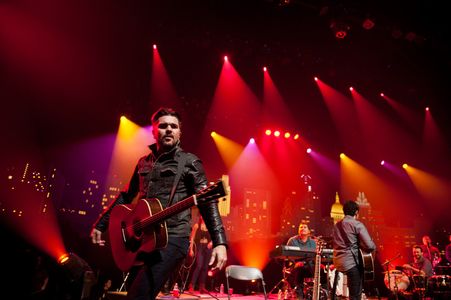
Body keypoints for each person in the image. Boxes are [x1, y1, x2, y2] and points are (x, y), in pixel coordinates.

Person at [90, 107, 228, 300]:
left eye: (174, 126)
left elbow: (207, 202)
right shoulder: (143, 163)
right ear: (154, 132)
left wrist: (220, 241)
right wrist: (102, 223)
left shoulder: (190, 162)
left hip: (173, 238)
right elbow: (126, 196)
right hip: (144, 239)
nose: (169, 129)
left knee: (138, 295)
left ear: (180, 132)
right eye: (163, 126)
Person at [332, 200, 376, 300]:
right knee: (355, 295)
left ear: (344, 211)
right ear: (356, 212)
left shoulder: (336, 226)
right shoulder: (357, 225)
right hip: (350, 264)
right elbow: (370, 246)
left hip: (337, 263)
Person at [286, 222, 316, 299]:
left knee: (322, 271)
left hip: (310, 266)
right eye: (301, 227)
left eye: (305, 227)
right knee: (299, 270)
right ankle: (300, 296)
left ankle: (324, 293)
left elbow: (315, 256)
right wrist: (294, 263)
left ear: (309, 231)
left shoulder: (313, 242)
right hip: (296, 266)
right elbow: (287, 255)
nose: (302, 228)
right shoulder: (292, 241)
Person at [188, 216, 212, 293]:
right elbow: (192, 238)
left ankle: (202, 287)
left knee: (205, 267)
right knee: (199, 265)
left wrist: (211, 243)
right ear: (200, 217)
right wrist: (191, 249)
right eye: (202, 215)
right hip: (200, 247)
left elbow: (215, 237)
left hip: (208, 248)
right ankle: (191, 286)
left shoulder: (210, 225)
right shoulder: (197, 226)